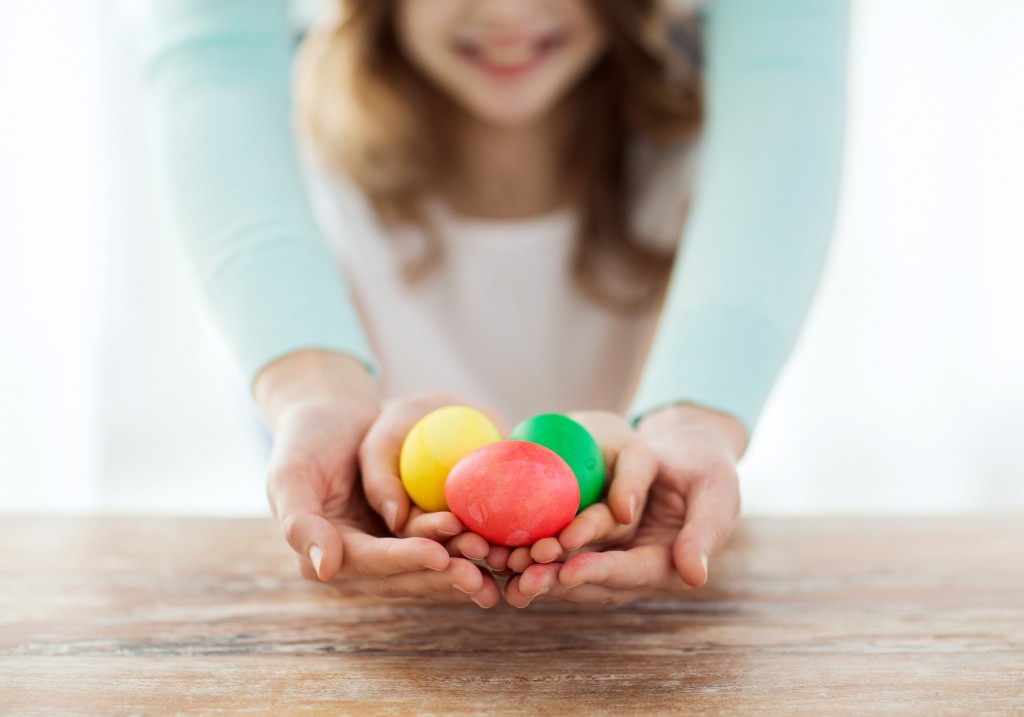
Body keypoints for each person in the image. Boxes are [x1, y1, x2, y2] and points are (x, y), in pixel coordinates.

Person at [141, 0, 849, 608]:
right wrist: (311, 393)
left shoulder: (705, 181)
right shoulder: (303, 187)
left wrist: (694, 420)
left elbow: (788, 64)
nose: (505, 12)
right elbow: (212, 54)